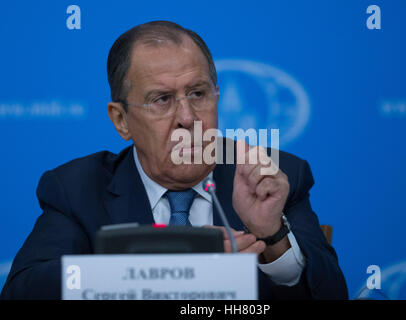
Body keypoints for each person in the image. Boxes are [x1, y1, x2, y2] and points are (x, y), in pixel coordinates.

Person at [0, 21, 347, 299]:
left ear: (217, 98)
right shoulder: (77, 187)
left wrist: (274, 238)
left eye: (198, 94)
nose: (187, 117)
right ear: (121, 120)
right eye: (162, 99)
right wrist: (164, 270)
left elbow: (333, 294)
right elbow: (24, 290)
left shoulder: (273, 173)